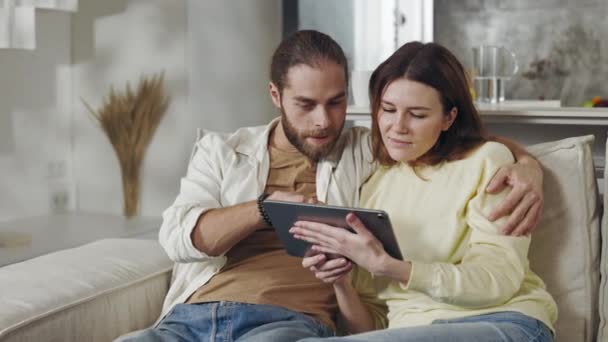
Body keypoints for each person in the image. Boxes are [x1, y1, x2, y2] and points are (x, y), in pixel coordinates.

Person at [121, 31, 545, 342]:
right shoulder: (223, 152)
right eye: (305, 105)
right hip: (193, 316)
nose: (323, 121)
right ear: (275, 94)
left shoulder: (363, 152)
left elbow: (456, 142)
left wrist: (527, 164)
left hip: (286, 323)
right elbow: (180, 238)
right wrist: (264, 207)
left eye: (336, 102)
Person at [291, 41, 558, 342]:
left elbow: (498, 280)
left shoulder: (488, 162)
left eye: (417, 115)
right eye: (388, 109)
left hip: (502, 321)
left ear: (449, 118)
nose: (397, 127)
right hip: (410, 330)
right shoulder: (375, 182)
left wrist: (395, 268)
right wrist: (341, 282)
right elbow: (372, 328)